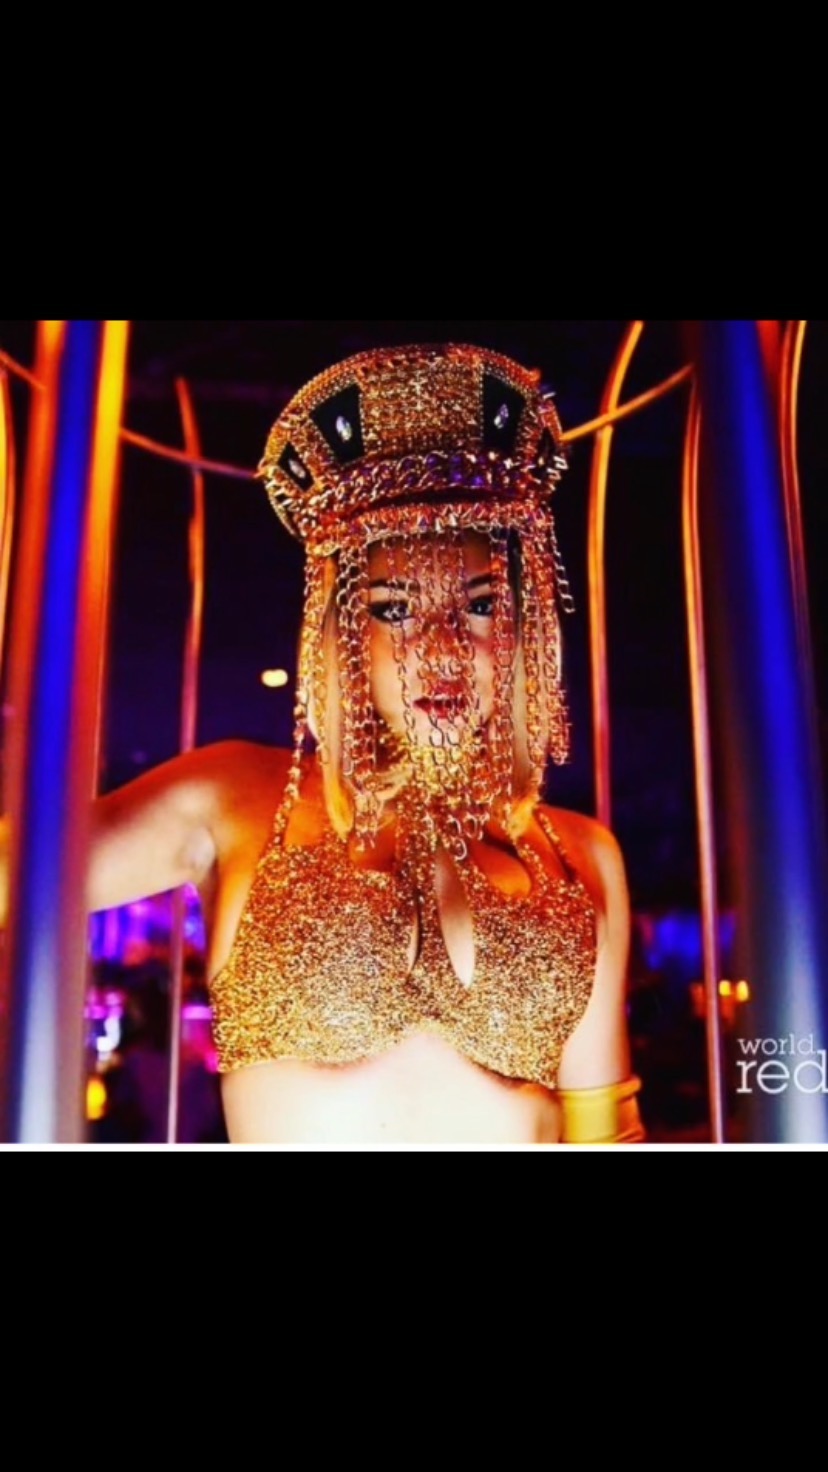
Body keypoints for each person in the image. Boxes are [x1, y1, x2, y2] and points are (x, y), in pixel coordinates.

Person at [7, 343, 645, 1145]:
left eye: (479, 604)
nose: (441, 650)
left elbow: (608, 1133)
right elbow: (17, 873)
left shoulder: (582, 857)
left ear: (524, 626)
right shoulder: (236, 797)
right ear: (345, 636)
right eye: (395, 609)